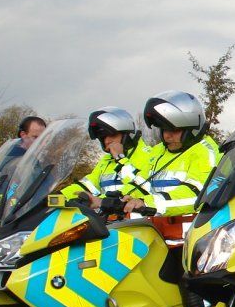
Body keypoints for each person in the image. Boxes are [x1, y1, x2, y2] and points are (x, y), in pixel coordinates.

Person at [120, 91, 219, 223]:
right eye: (164, 129)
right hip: (158, 229)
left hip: (189, 234)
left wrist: (146, 203)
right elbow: (140, 184)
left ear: (192, 129)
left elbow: (197, 195)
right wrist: (120, 198)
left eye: (173, 130)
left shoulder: (205, 152)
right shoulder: (159, 150)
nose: (166, 136)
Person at [61, 107, 157, 208]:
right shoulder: (106, 161)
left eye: (112, 135)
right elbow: (87, 186)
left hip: (137, 219)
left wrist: (120, 159)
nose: (107, 141)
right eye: (103, 137)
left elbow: (140, 189)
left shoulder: (149, 155)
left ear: (128, 135)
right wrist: (60, 197)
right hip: (107, 220)